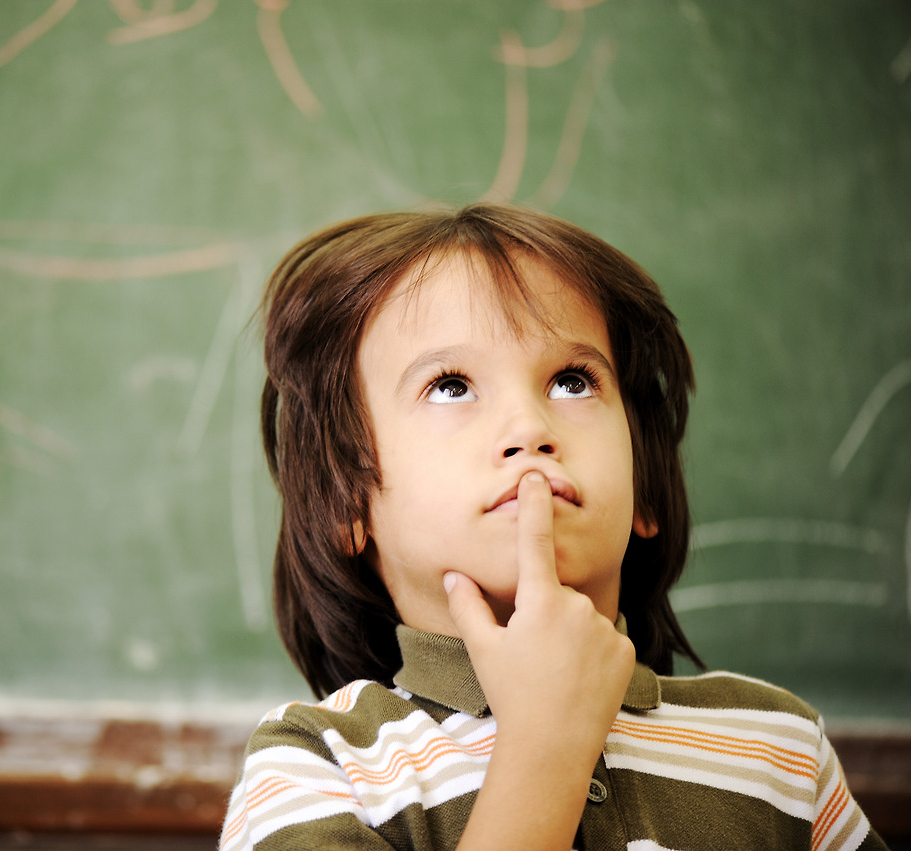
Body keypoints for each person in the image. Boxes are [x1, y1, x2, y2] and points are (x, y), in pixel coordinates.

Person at [219, 203, 887, 850]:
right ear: (347, 504)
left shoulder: (780, 749)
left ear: (645, 489)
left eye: (572, 380)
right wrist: (545, 744)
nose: (530, 428)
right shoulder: (319, 765)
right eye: (451, 385)